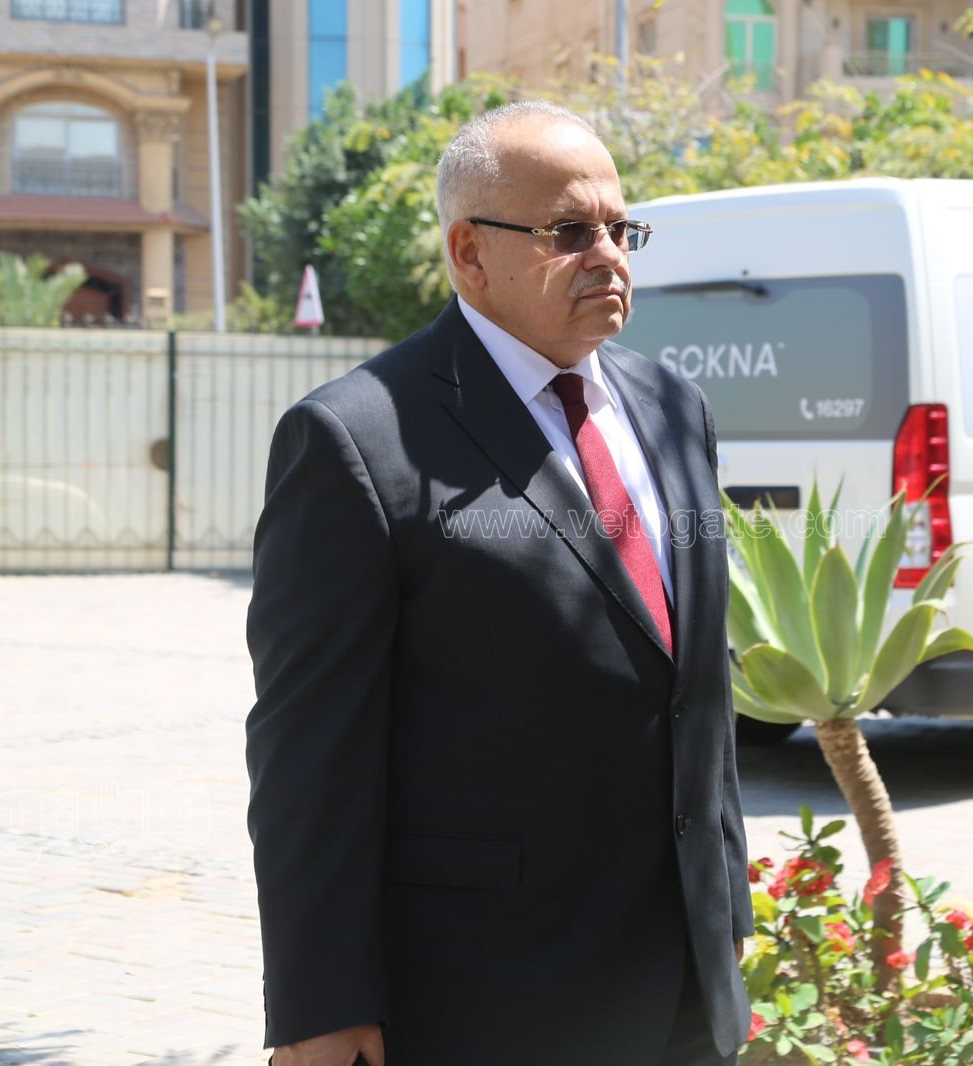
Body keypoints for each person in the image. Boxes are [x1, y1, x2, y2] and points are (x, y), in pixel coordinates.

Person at [244, 102, 751, 1066]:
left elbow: (695, 683)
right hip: (490, 996)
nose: (608, 256)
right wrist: (320, 1004)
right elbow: (309, 753)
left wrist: (724, 906)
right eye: (570, 232)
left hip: (684, 987)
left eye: (620, 228)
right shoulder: (357, 440)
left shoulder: (673, 407)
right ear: (470, 252)